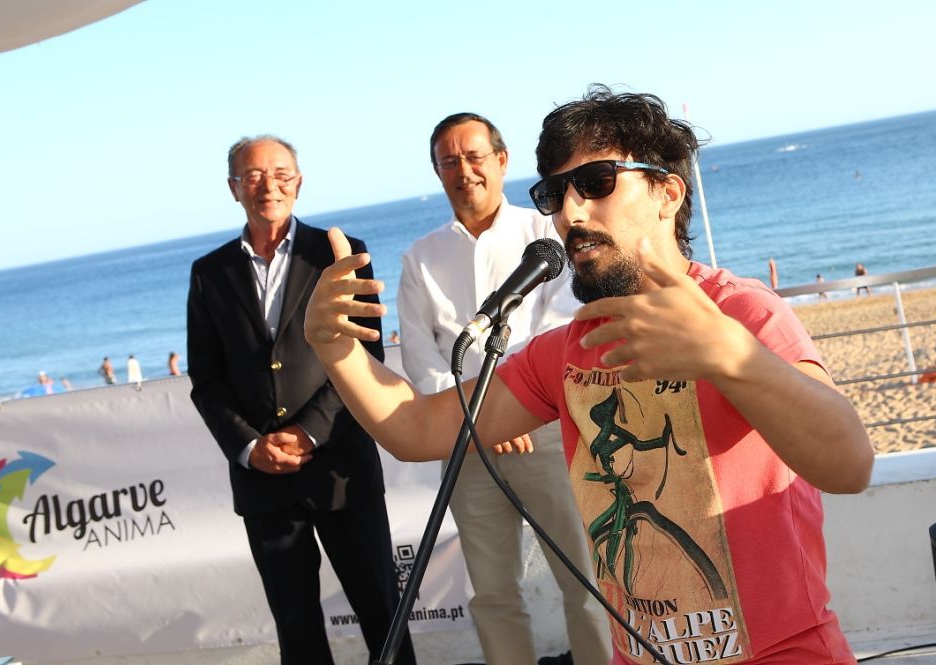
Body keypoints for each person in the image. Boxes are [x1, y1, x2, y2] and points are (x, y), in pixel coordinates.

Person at [304, 86, 873, 665]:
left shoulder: (742, 313)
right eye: (555, 194)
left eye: (598, 182)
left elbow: (849, 465)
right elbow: (418, 427)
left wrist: (733, 358)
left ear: (667, 193)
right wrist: (334, 346)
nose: (569, 214)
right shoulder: (568, 350)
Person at [187, 135, 415, 665]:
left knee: (383, 613)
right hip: (262, 481)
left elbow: (365, 355)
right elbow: (206, 378)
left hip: (341, 469)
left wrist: (310, 430)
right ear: (233, 188)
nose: (268, 185)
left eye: (281, 173)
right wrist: (250, 446)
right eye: (253, 175)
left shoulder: (339, 253)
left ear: (299, 182)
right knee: (296, 629)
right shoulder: (209, 273)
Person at [397, 112, 610, 665]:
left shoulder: (546, 233)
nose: (463, 170)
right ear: (437, 172)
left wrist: (509, 408)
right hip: (465, 443)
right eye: (449, 161)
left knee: (585, 581)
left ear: (501, 159)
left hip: (543, 433)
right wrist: (481, 419)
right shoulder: (419, 259)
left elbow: (559, 329)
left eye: (474, 156)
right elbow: (421, 355)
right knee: (492, 595)